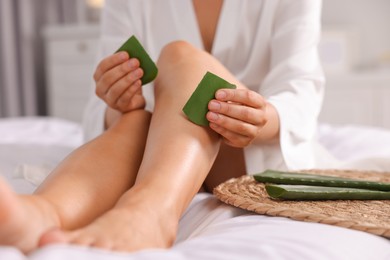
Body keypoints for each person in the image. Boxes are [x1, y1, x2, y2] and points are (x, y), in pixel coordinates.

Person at [0, 0, 325, 253]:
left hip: (246, 154)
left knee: (179, 54)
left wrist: (263, 118)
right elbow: (105, 105)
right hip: (156, 143)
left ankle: (150, 211)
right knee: (137, 120)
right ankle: (42, 214)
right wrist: (119, 101)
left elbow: (300, 87)